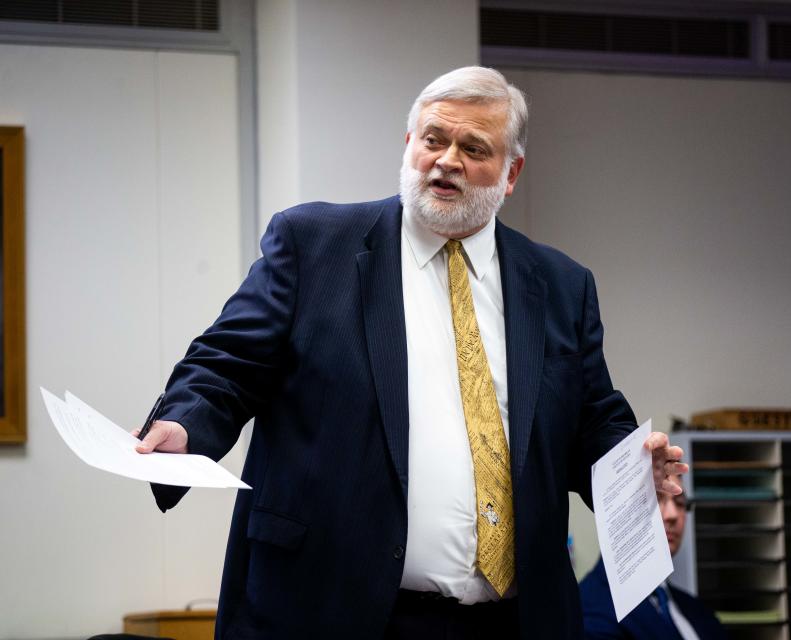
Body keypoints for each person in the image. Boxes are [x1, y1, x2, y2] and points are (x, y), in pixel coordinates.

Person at [134, 66, 687, 639]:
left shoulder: (560, 285)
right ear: (408, 145)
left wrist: (631, 469)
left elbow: (591, 418)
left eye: (474, 148)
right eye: (433, 139)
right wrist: (184, 423)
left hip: (513, 622)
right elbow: (225, 365)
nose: (447, 159)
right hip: (333, 609)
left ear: (511, 173)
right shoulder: (315, 245)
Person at [580, 475, 726, 640]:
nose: (673, 515)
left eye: (679, 503)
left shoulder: (696, 609)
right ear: (619, 512)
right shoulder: (589, 611)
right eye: (655, 497)